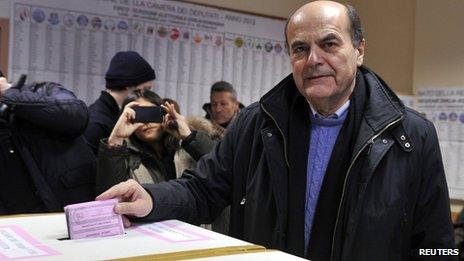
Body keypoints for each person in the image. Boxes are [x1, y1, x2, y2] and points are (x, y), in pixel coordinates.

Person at [97, 1, 455, 260]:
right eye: (300, 48)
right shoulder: (257, 124)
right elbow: (203, 190)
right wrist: (153, 199)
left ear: (359, 49)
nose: (314, 59)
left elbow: (436, 244)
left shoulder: (410, 135)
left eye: (329, 43)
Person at [0, 73, 96, 214]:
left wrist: (10, 95)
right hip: (20, 223)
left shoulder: (42, 90)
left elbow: (77, 116)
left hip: (72, 210)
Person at [96, 90, 219, 195]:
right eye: (140, 116)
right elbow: (109, 195)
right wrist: (116, 138)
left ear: (163, 112)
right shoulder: (125, 155)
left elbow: (221, 165)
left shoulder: (185, 145)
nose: (146, 123)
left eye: (151, 113)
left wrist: (188, 135)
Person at [84, 51, 156, 154]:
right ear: (129, 84)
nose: (147, 95)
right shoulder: (97, 123)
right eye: (146, 89)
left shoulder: (110, 113)